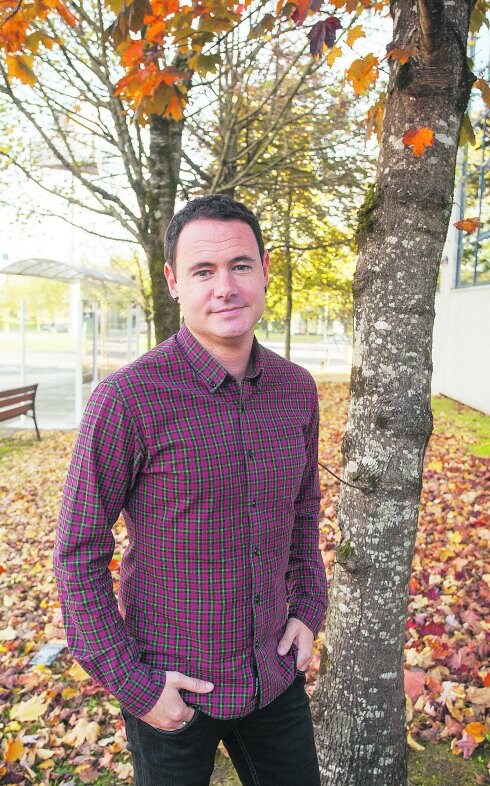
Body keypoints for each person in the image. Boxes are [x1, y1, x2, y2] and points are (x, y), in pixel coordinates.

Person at [54, 194, 328, 786]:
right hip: (171, 687)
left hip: (274, 669)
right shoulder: (127, 400)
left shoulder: (295, 390)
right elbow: (78, 552)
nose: (224, 286)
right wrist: (135, 684)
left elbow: (304, 509)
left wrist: (309, 607)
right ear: (174, 282)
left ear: (264, 270)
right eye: (204, 271)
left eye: (240, 265)